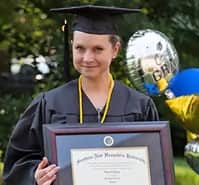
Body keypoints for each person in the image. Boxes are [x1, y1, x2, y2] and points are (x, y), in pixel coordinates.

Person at [3, 5, 159, 185]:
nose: (87, 57)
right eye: (80, 48)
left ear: (115, 49)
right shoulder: (49, 103)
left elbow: (155, 168)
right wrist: (35, 176)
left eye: (98, 49)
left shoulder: (139, 105)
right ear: (71, 47)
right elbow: (18, 162)